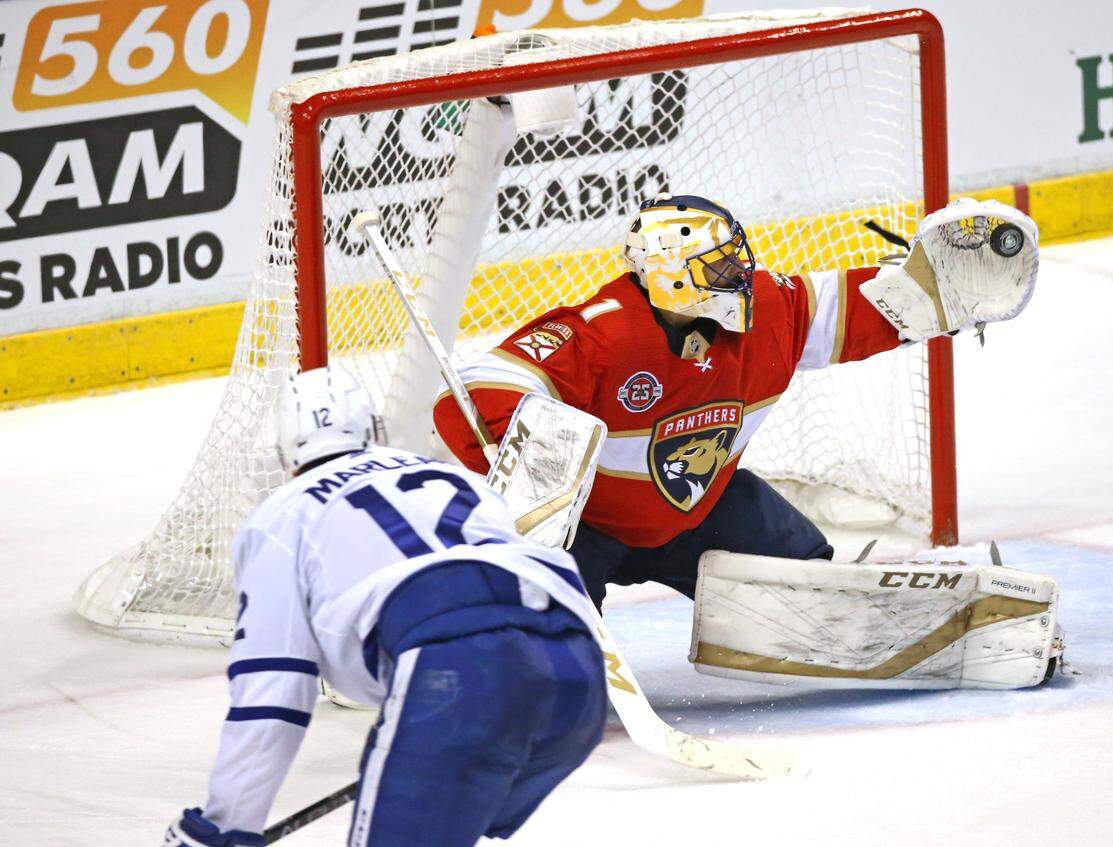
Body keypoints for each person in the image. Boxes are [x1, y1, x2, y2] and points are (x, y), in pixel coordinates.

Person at [434, 193, 1032, 609]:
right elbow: (475, 390)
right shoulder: (603, 334)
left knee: (809, 585)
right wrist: (530, 446)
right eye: (720, 264)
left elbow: (854, 309)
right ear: (670, 272)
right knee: (542, 631)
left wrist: (934, 295)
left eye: (736, 257)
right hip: (587, 528)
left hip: (701, 514)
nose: (741, 272)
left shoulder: (769, 312)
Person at [164, 367, 605, 847]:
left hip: (455, 672)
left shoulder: (281, 515)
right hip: (576, 667)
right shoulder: (451, 477)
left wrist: (224, 826)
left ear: (285, 452)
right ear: (372, 429)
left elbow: (272, 690)